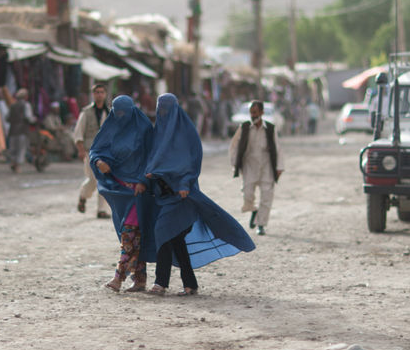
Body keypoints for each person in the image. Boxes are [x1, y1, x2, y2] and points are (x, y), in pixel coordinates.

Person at [144, 93, 256, 296]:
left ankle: (161, 283)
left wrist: (184, 182)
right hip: (165, 196)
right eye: (161, 108)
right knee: (175, 240)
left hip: (184, 196)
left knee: (163, 233)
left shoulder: (186, 133)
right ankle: (189, 285)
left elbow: (191, 161)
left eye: (166, 108)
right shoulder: (158, 133)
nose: (163, 113)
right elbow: (155, 159)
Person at [90, 95, 157, 293]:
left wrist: (144, 181)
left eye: (123, 112)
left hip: (138, 191)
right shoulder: (111, 128)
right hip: (118, 191)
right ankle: (140, 278)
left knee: (129, 233)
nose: (120, 116)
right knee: (134, 234)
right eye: (116, 112)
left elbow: (152, 157)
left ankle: (118, 277)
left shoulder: (143, 128)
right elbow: (96, 149)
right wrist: (98, 161)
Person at [229, 100, 284, 236]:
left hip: (266, 167)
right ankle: (253, 209)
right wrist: (235, 163)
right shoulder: (245, 127)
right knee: (247, 193)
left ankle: (261, 225)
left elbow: (278, 148)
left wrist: (279, 167)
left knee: (267, 197)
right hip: (250, 166)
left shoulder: (270, 128)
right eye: (251, 113)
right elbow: (234, 146)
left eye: (255, 112)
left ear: (262, 112)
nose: (253, 115)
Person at [73, 83, 111, 218]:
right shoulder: (86, 112)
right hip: (91, 151)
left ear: (105, 94)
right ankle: (83, 196)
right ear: (93, 94)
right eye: (97, 92)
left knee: (104, 179)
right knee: (93, 179)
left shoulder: (110, 112)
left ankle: (101, 209)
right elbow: (78, 132)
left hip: (106, 152)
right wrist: (80, 149)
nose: (99, 95)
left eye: (102, 92)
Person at [6, 88, 36, 173]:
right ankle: (17, 166)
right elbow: (28, 117)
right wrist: (34, 120)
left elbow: (7, 118)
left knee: (13, 148)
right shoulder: (26, 105)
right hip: (22, 130)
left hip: (12, 130)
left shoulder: (12, 106)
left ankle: (13, 163)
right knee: (21, 149)